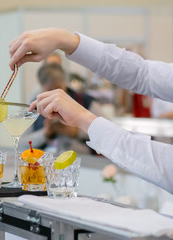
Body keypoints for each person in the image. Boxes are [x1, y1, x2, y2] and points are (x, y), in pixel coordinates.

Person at [9, 28, 173, 194]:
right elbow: (142, 73)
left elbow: (164, 165)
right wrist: (65, 40)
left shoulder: (85, 101)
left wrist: (82, 122)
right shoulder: (35, 103)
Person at [23, 62, 99, 154]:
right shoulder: (34, 106)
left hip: (83, 161)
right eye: (49, 91)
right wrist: (45, 134)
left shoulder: (85, 101)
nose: (54, 97)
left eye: (58, 89)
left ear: (64, 84)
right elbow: (21, 144)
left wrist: (77, 132)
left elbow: (105, 133)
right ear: (41, 88)